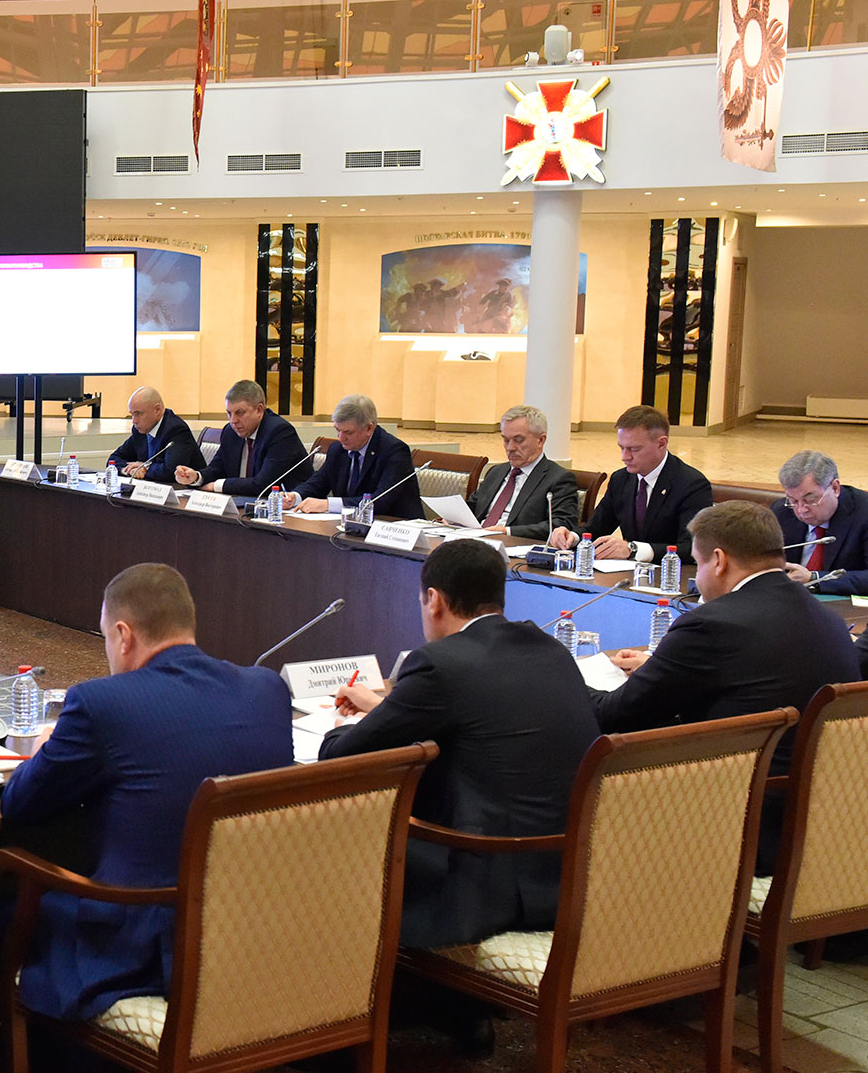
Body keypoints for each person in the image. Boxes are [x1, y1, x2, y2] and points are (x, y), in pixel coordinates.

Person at [0, 563, 292, 1023]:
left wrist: (42, 750)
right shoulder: (267, 689)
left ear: (123, 635)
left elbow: (19, 805)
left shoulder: (100, 703)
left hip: (143, 950)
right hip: (254, 934)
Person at [319, 540, 599, 949]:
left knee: (332, 847)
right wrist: (385, 708)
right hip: (570, 875)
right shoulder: (550, 649)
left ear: (434, 600)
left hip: (487, 889)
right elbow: (484, 716)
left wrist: (340, 726)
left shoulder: (439, 663)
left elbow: (340, 757)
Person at [599, 501, 859, 865]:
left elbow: (619, 714)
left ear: (719, 561)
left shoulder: (711, 623)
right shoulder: (829, 619)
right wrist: (660, 667)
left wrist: (564, 682)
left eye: (698, 563)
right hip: (823, 823)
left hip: (734, 825)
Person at [549, 405, 711, 562]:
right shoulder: (621, 479)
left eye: (634, 449)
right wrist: (573, 537)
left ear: (661, 444)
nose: (624, 457)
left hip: (669, 573)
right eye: (622, 448)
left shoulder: (692, 485)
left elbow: (691, 548)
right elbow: (596, 528)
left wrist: (634, 550)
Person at [284, 394, 421, 519]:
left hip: (393, 526)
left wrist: (328, 505)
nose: (341, 438)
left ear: (369, 428)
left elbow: (380, 501)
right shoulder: (338, 449)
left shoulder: (394, 451)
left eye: (348, 432)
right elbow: (319, 482)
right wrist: (294, 497)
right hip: (350, 526)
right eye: (337, 430)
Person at [173, 379, 308, 497]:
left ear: (259, 410)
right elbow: (216, 469)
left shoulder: (279, 432)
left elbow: (263, 484)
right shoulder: (230, 432)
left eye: (240, 413)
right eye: (229, 413)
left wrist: (217, 486)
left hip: (283, 508)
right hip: (242, 501)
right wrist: (196, 477)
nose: (233, 421)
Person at [465, 404, 580, 540]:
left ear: (541, 440)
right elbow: (471, 508)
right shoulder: (496, 472)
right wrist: (452, 519)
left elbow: (560, 525)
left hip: (513, 544)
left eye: (518, 440)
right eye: (506, 440)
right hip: (474, 539)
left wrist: (507, 531)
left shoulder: (559, 479)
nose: (510, 448)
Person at [774, 450, 868, 594]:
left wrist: (814, 578)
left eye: (810, 499)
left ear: (835, 488)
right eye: (793, 500)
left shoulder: (864, 514)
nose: (801, 510)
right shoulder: (782, 512)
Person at [106, 387, 202, 485]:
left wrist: (145, 468)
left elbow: (171, 471)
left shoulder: (176, 429)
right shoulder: (140, 430)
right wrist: (127, 470)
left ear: (157, 409)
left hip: (185, 490)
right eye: (132, 414)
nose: (134, 421)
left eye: (138, 413)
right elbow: (113, 459)